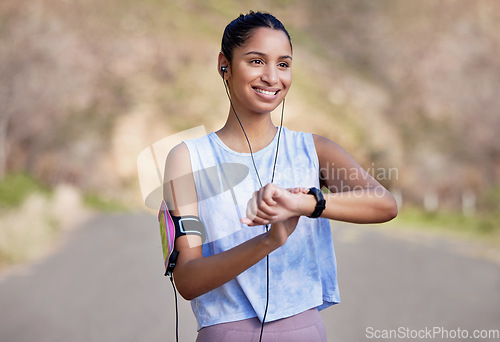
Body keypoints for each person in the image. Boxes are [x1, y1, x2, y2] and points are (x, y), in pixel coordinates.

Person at [163, 11, 398, 342]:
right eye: (256, 61)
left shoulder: (315, 150)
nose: (272, 77)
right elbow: (186, 279)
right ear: (224, 65)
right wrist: (269, 240)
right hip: (224, 333)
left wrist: (305, 203)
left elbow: (385, 205)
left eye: (283, 64)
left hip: (303, 331)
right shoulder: (187, 158)